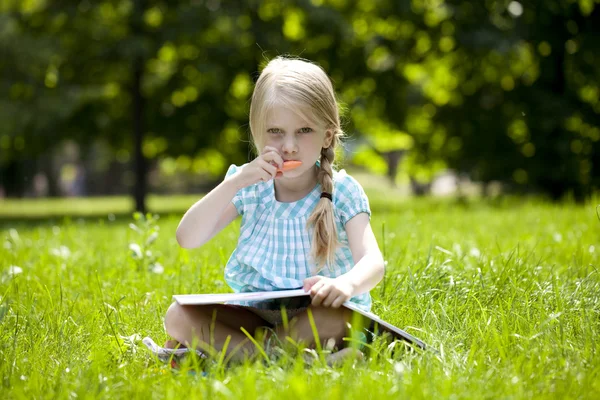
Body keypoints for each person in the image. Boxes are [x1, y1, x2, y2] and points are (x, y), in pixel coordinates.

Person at [163, 56, 385, 363]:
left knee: (335, 319)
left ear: (327, 135)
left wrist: (345, 284)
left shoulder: (343, 191)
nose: (289, 146)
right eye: (275, 131)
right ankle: (284, 359)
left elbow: (373, 263)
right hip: (258, 319)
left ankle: (245, 357)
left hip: (320, 317)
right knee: (178, 317)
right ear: (256, 134)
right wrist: (235, 182)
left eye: (304, 130)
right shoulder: (249, 187)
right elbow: (188, 237)